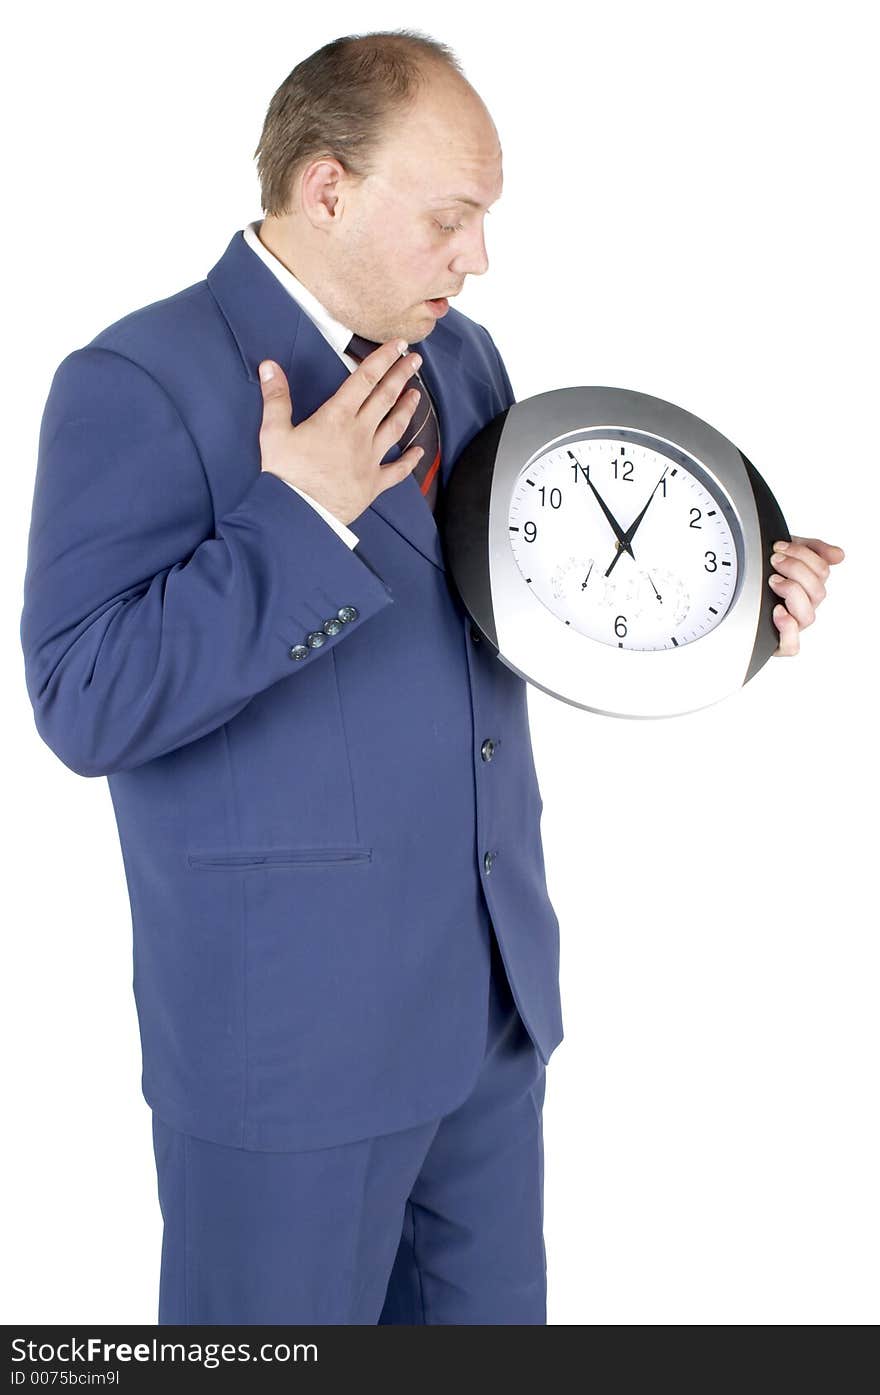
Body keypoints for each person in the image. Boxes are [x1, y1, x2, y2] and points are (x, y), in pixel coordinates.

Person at [19, 29, 844, 1325]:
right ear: (328, 186)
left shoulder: (464, 361)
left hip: (488, 1023)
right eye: (451, 218)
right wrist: (296, 520)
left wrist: (730, 602)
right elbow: (86, 699)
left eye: (486, 219)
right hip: (287, 1056)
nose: (479, 256)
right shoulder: (138, 380)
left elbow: (525, 599)